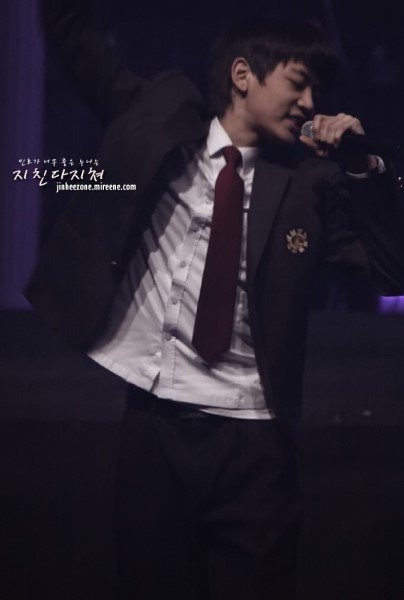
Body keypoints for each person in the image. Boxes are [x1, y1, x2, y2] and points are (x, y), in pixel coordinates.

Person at [26, 2, 404, 598]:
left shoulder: (310, 184)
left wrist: (367, 167)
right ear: (242, 75)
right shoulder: (159, 121)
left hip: (256, 446)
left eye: (316, 90)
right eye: (298, 83)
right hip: (154, 429)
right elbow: (80, 47)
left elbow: (389, 272)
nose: (309, 103)